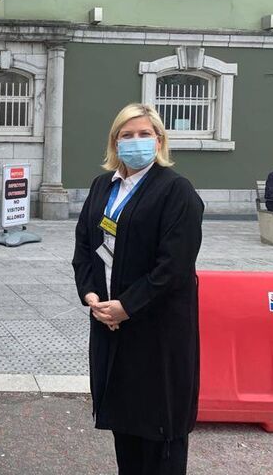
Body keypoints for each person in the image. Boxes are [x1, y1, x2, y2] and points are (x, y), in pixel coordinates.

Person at [72, 103, 203, 475]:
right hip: (111, 324)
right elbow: (84, 246)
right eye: (126, 135)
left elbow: (174, 267)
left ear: (159, 141)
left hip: (157, 330)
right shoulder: (103, 186)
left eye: (144, 134)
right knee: (126, 427)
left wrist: (126, 306)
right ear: (114, 142)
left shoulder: (176, 190)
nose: (135, 141)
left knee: (159, 435)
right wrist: (92, 296)